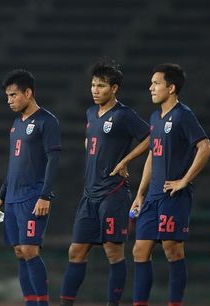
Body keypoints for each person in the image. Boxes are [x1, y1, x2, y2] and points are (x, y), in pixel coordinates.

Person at [58, 61, 149, 306]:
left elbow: (150, 137)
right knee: (75, 251)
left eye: (101, 85)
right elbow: (92, 143)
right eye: (93, 85)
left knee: (113, 252)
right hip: (89, 195)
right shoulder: (90, 113)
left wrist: (125, 160)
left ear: (115, 88)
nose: (95, 90)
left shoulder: (124, 115)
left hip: (114, 193)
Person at [131, 63, 210, 306]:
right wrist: (140, 194)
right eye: (152, 83)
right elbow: (152, 157)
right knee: (139, 251)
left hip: (173, 196)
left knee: (172, 250)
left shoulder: (183, 115)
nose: (151, 88)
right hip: (152, 197)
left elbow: (205, 147)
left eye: (156, 83)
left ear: (172, 87)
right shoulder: (155, 117)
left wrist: (184, 180)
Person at [0, 69, 61, 306]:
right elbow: (13, 166)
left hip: (33, 196)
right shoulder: (16, 124)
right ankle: (30, 302)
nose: (9, 100)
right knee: (19, 252)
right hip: (12, 200)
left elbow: (54, 159)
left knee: (30, 250)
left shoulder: (47, 121)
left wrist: (45, 195)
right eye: (7, 96)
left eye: (13, 95)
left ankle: (42, 303)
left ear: (28, 92)